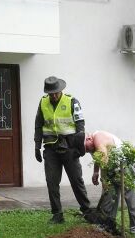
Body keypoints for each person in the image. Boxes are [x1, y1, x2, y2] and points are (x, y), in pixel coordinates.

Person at [33, 76, 94, 225]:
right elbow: (38, 125)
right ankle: (57, 214)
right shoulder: (43, 102)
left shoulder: (72, 101)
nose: (54, 95)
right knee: (51, 182)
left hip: (70, 148)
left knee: (76, 180)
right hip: (50, 148)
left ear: (61, 90)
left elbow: (80, 125)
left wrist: (79, 148)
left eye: (56, 92)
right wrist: (37, 145)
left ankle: (86, 210)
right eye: (51, 93)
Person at [85, 130, 135, 235]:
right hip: (111, 168)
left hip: (125, 165)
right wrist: (95, 172)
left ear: (88, 139)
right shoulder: (92, 145)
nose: (87, 151)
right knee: (109, 198)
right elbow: (98, 157)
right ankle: (108, 225)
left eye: (86, 148)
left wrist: (104, 180)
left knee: (131, 196)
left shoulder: (98, 136)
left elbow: (103, 156)